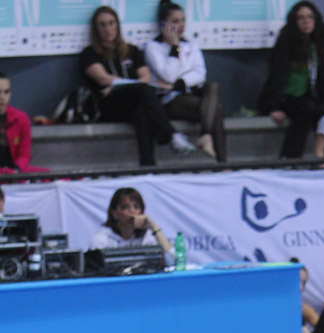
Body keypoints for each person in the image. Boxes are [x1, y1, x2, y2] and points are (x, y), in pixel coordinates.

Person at [80, 6, 188, 166]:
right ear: (96, 29)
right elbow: (103, 79)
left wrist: (121, 84)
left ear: (117, 25)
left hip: (133, 103)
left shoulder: (131, 50)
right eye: (102, 25)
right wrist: (127, 85)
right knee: (141, 91)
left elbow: (145, 77)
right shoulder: (89, 53)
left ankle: (147, 166)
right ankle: (171, 135)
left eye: (111, 23)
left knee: (142, 110)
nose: (108, 29)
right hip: (108, 105)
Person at [144, 1, 226, 162]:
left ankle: (207, 136)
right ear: (163, 24)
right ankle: (221, 161)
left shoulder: (191, 44)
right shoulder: (153, 47)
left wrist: (178, 83)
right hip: (169, 100)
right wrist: (174, 48)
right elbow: (168, 75)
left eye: (183, 20)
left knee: (213, 87)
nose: (181, 25)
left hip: (188, 93)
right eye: (175, 21)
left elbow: (200, 73)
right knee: (216, 109)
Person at [258, 1, 324, 158]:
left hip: (307, 96)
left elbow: (323, 77)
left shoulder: (317, 43)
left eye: (310, 17)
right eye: (301, 18)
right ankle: (290, 158)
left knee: (323, 113)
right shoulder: (286, 41)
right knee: (306, 110)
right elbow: (277, 75)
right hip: (285, 97)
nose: (306, 21)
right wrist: (273, 107)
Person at [89, 186, 174, 269]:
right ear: (114, 213)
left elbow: (173, 260)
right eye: (126, 207)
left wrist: (153, 226)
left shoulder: (146, 237)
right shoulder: (101, 240)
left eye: (136, 207)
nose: (132, 211)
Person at [0, 73, 48, 173]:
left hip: (14, 172)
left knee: (48, 175)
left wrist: (16, 170)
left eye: (6, 92)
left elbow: (24, 155)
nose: (2, 97)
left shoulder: (21, 118)